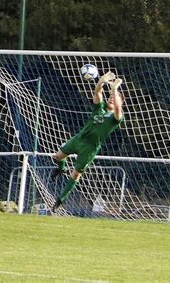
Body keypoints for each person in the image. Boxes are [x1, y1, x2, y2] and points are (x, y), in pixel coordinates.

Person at [51, 71, 124, 212]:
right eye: (110, 97)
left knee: (76, 174)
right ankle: (61, 168)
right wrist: (101, 81)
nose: (111, 99)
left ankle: (61, 200)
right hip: (79, 139)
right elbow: (98, 93)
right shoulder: (100, 109)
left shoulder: (116, 118)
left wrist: (115, 90)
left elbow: (119, 109)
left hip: (90, 148)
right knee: (57, 157)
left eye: (114, 99)